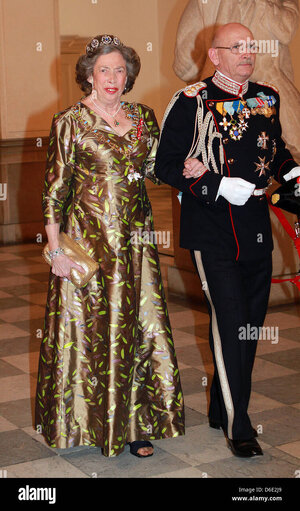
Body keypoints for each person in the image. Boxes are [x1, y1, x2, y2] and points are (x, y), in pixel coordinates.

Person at [35, 34, 184, 459]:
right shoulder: (70, 121)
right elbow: (54, 191)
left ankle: (137, 425)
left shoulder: (142, 117)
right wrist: (56, 251)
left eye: (120, 70)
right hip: (88, 243)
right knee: (90, 332)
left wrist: (187, 165)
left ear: (129, 74)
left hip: (136, 244)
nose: (113, 78)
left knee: (139, 327)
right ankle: (86, 421)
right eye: (104, 70)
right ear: (88, 75)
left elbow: (157, 167)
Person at [155, 23, 300, 458]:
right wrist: (215, 186)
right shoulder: (190, 102)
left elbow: (272, 148)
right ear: (215, 56)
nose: (247, 53)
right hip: (212, 227)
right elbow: (165, 165)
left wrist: (291, 169)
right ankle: (240, 423)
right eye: (236, 47)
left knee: (250, 324)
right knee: (232, 320)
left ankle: (220, 402)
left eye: (250, 46)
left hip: (255, 222)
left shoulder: (267, 97)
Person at [173, 0, 300, 162]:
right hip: (221, 102)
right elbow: (183, 67)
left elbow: (287, 30)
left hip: (274, 102)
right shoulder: (204, 3)